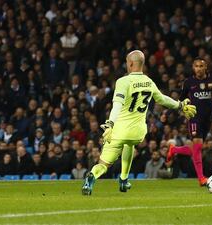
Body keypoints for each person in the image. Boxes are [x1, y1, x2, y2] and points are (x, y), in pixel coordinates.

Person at [82, 50, 196, 195]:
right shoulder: (148, 81)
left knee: (104, 164)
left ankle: (92, 176)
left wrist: (110, 123)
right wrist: (180, 105)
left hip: (119, 130)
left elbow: (117, 104)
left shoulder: (123, 81)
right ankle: (123, 180)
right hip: (138, 131)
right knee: (129, 144)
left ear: (129, 64)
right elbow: (162, 99)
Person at [166, 58, 212, 186]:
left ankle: (174, 150)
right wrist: (168, 113)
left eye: (201, 66)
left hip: (207, 119)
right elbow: (180, 99)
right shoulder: (189, 82)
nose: (199, 68)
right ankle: (201, 178)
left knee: (197, 149)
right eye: (196, 66)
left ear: (205, 67)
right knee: (198, 148)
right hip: (194, 117)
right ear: (193, 68)